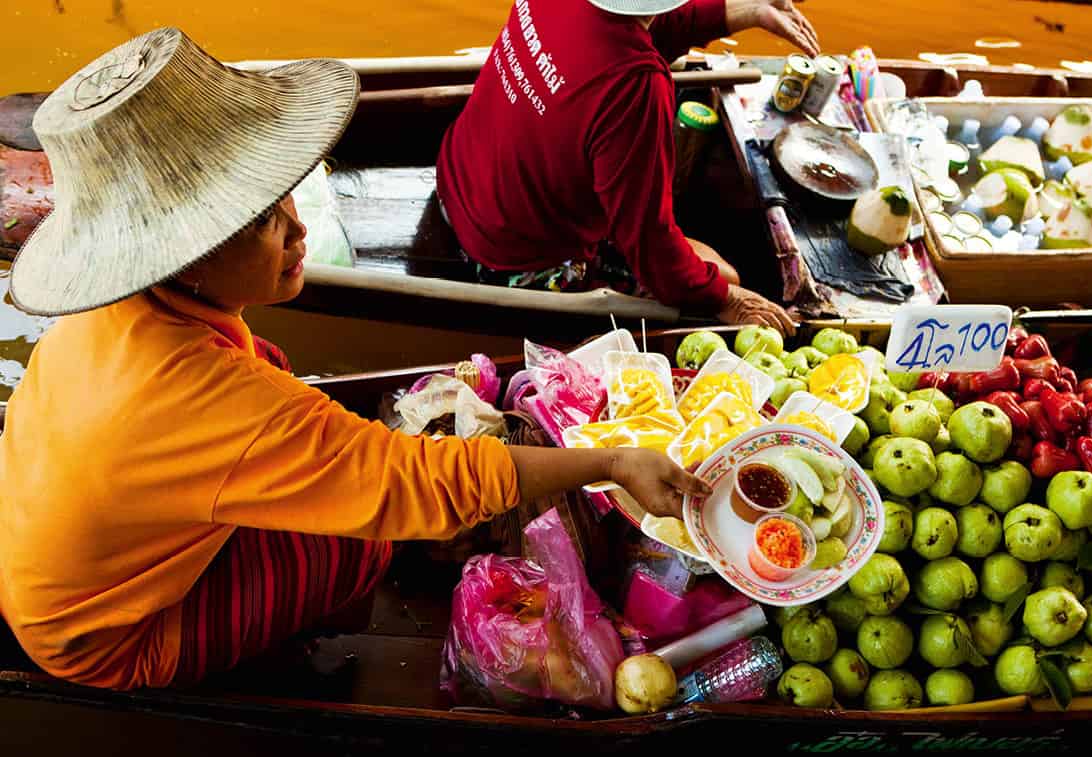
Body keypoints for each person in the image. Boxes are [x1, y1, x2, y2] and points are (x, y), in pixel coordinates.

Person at [0, 29, 709, 691]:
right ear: (182, 260)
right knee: (357, 546)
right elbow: (416, 484)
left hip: (56, 551)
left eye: (285, 202)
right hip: (103, 634)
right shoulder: (202, 398)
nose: (298, 229)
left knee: (276, 367)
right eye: (262, 223)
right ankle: (292, 666)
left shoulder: (121, 306)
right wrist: (612, 461)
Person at [436, 0, 818, 334]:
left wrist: (748, 9)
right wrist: (728, 298)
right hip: (513, 261)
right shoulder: (636, 86)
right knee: (723, 273)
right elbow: (649, 244)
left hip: (456, 181)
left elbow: (637, 26)